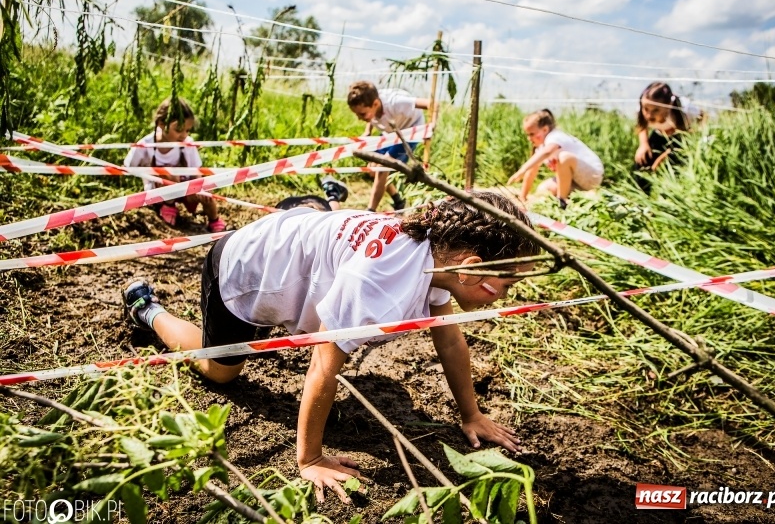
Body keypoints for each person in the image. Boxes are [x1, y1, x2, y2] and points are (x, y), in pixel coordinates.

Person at [121, 191, 539, 503]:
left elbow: (447, 335)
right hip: (242, 270)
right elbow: (323, 364)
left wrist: (472, 414)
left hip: (288, 245)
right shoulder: (379, 283)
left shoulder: (433, 255)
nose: (506, 294)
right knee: (222, 372)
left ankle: (308, 207)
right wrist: (309, 459)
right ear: (469, 269)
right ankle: (147, 309)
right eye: (508, 283)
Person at [124, 97, 226, 232]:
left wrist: (202, 188)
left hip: (185, 189)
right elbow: (128, 167)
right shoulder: (145, 145)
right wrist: (151, 175)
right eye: (179, 130)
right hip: (158, 192)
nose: (184, 135)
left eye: (187, 130)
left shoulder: (187, 143)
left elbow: (196, 172)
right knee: (170, 175)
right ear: (161, 123)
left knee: (205, 187)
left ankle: (214, 220)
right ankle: (168, 206)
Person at [346, 81, 432, 212]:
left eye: (362, 114)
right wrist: (368, 131)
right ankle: (398, 200)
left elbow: (431, 103)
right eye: (357, 114)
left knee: (382, 168)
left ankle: (370, 211)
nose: (359, 118)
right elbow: (371, 115)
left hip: (409, 132)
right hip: (391, 131)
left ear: (375, 104)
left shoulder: (396, 103)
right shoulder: (373, 106)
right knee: (372, 169)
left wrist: (431, 127)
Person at [507, 109, 604, 208]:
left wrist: (522, 169)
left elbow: (548, 152)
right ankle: (576, 198)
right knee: (543, 189)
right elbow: (532, 171)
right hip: (574, 181)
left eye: (532, 134)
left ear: (545, 129)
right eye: (527, 135)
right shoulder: (540, 148)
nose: (529, 138)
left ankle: (562, 201)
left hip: (591, 176)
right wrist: (523, 196)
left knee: (564, 157)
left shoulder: (555, 136)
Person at [633, 82, 703, 193]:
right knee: (643, 159)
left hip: (681, 139)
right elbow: (642, 126)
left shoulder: (685, 108)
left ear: (669, 105)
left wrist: (696, 132)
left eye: (656, 110)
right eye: (646, 109)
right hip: (659, 135)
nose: (649, 115)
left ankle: (673, 193)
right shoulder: (643, 106)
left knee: (673, 165)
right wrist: (643, 145)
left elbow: (702, 117)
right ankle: (642, 195)